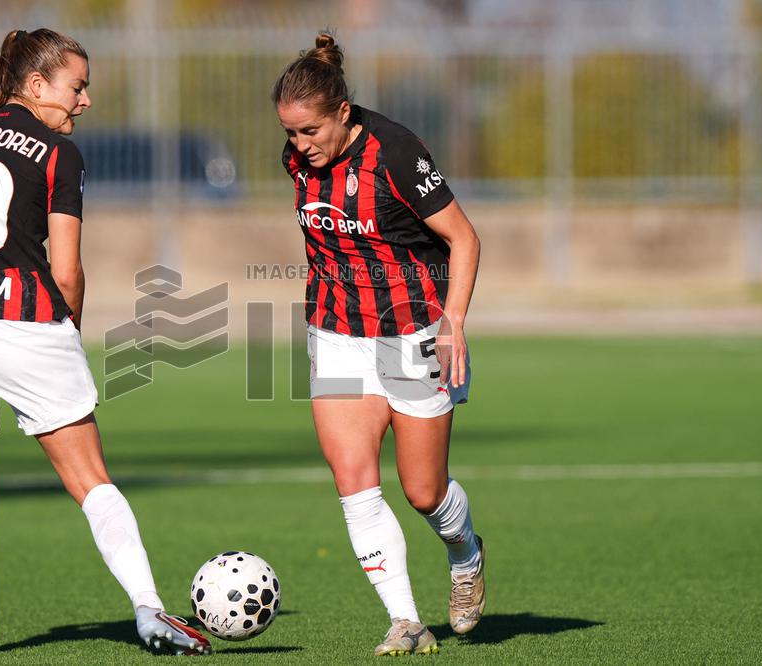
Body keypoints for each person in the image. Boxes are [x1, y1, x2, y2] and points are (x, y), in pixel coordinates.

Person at [0, 28, 210, 657]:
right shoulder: (55, 150)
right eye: (76, 87)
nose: (84, 101)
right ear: (35, 86)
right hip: (23, 324)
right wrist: (68, 333)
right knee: (90, 478)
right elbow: (67, 270)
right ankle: (149, 610)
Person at [272, 31, 485, 656]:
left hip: (412, 334)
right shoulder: (298, 157)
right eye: (289, 133)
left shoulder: (396, 152)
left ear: (342, 112)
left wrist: (454, 321)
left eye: (310, 131)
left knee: (424, 492)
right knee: (355, 480)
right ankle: (404, 620)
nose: (299, 145)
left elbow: (465, 239)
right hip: (336, 335)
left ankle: (466, 552)